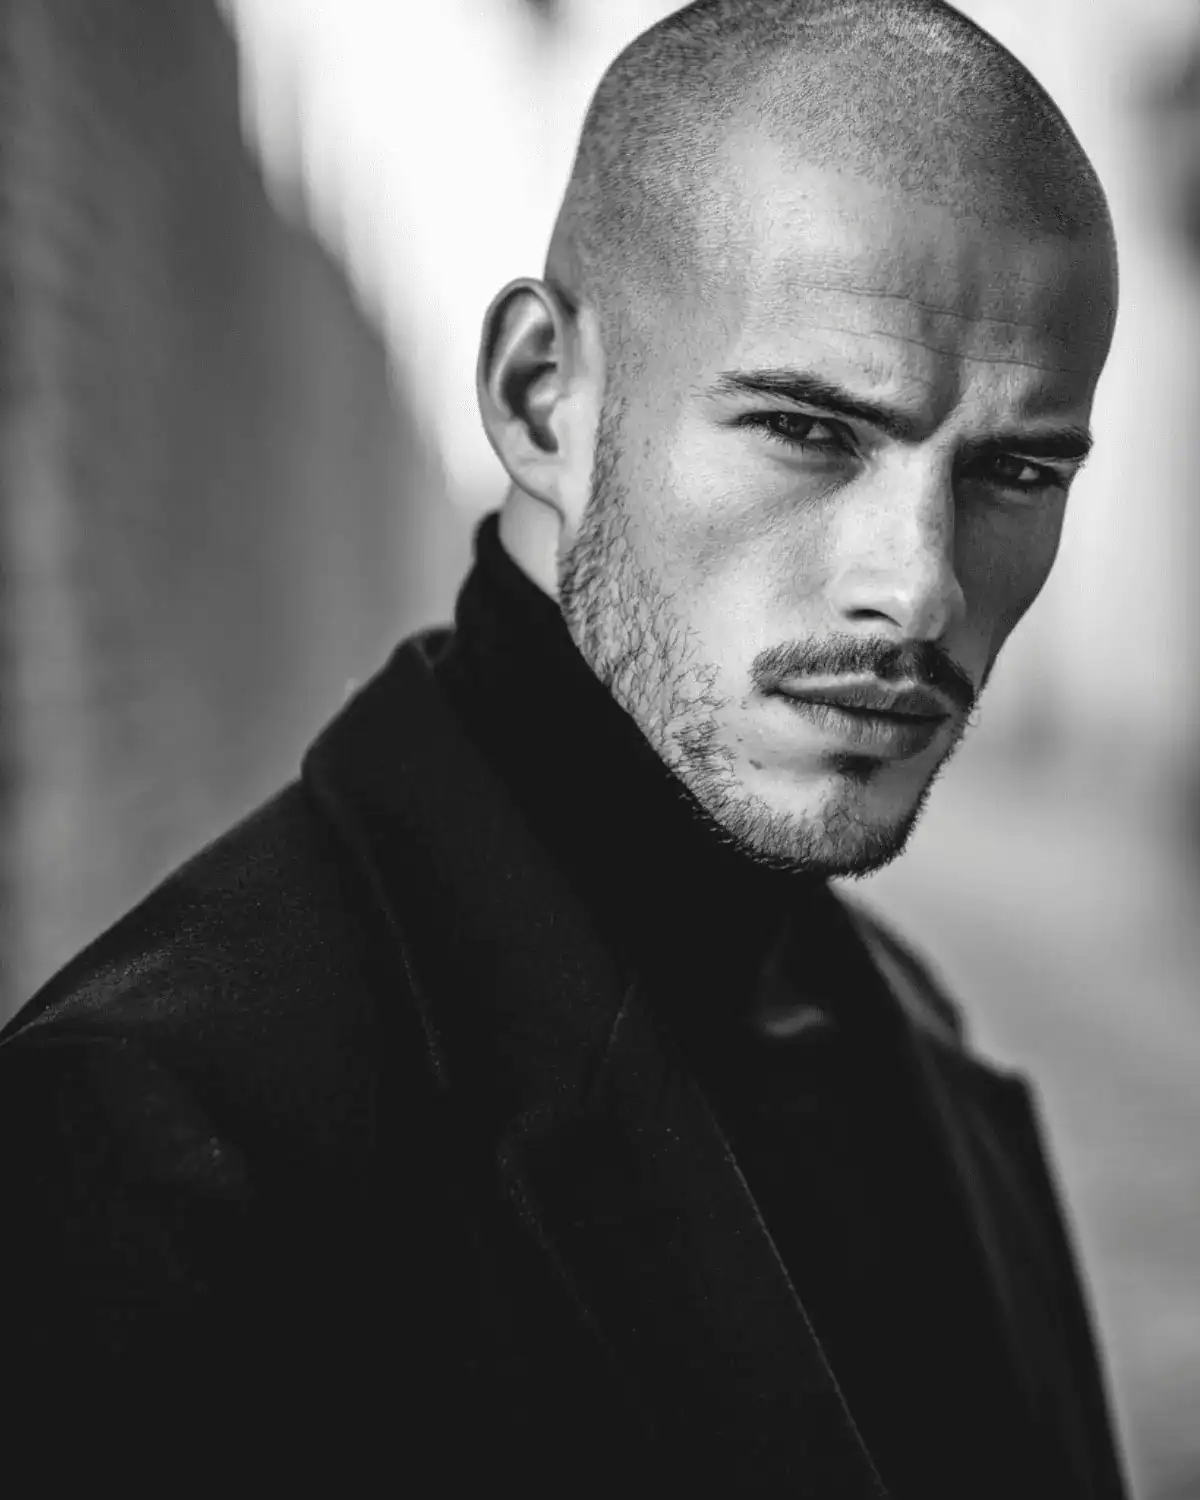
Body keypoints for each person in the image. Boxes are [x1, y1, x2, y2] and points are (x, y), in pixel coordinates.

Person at [0, 1, 1128, 1495]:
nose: (917, 585)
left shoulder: (911, 1036)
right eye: (808, 429)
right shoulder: (151, 1148)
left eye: (1016, 468)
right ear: (542, 397)